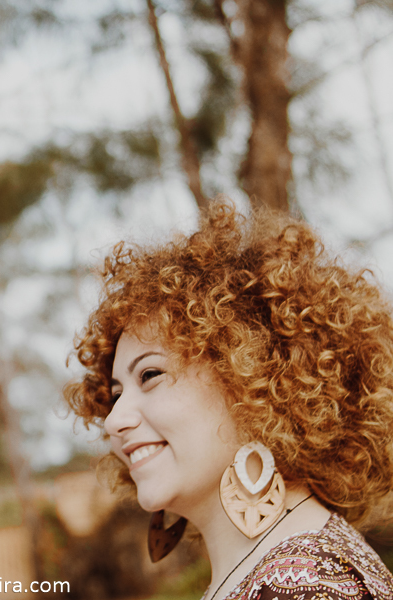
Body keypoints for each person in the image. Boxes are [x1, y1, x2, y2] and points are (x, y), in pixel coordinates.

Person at [66, 202, 393, 600]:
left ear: (252, 375)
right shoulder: (279, 567)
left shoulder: (306, 585)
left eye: (150, 375)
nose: (114, 421)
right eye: (116, 395)